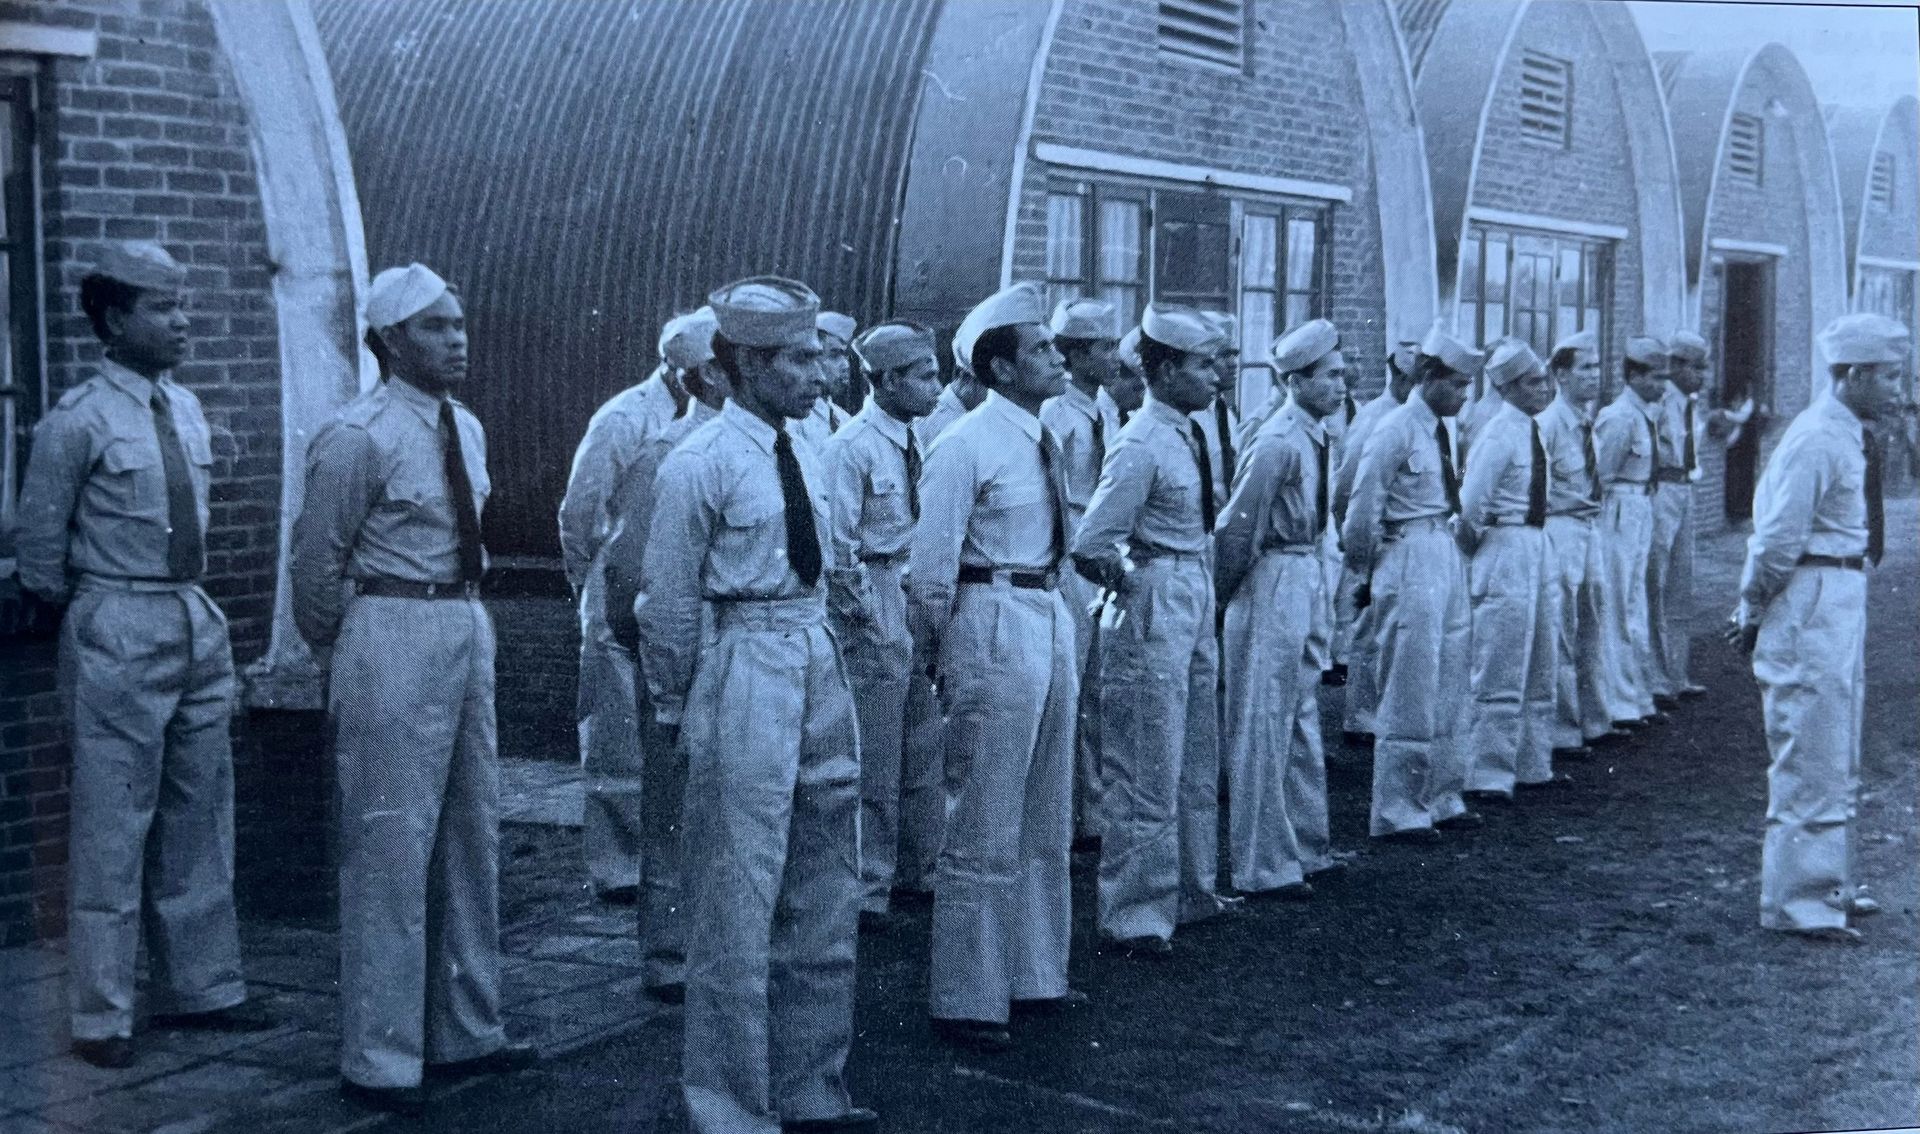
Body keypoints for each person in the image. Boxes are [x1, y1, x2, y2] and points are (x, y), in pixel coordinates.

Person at [14, 241, 270, 1070]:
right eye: (163, 308)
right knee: (112, 823)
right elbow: (42, 554)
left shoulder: (185, 409)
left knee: (200, 813)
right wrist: (100, 614)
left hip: (192, 619)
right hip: (116, 621)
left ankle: (205, 989)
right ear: (116, 318)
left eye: (182, 304)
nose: (183, 321)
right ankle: (103, 1013)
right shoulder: (77, 421)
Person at [291, 264, 533, 1114]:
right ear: (391, 340)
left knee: (472, 831)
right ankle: (381, 1056)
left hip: (465, 623)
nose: (456, 339)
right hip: (391, 626)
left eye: (460, 323)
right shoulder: (357, 436)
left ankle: (468, 1030)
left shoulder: (463, 428)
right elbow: (316, 566)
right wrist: (349, 655)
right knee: (391, 846)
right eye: (435, 327)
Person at [636, 275, 872, 1134]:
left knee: (824, 882)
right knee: (738, 892)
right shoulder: (696, 463)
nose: (820, 372)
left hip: (813, 651)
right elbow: (666, 604)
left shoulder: (812, 447)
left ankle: (812, 1084)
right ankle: (730, 1103)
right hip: (741, 659)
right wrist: (679, 706)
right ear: (745, 365)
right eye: (800, 358)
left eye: (817, 353)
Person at [908, 282, 1080, 1053]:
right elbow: (931, 569)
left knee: (1047, 805)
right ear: (1002, 369)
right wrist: (945, 654)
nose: (1056, 357)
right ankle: (968, 995)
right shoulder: (966, 444)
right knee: (982, 810)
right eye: (1040, 349)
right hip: (993, 616)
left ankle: (1034, 971)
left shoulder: (1043, 435)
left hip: (1047, 612)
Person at [1729, 312, 1907, 943]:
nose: (1898, 387)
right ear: (1851, 374)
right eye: (1888, 375)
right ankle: (1799, 903)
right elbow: (1775, 539)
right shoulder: (1816, 439)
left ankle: (1826, 884)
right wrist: (1752, 606)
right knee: (1809, 750)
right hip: (1809, 593)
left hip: (1840, 590)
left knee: (1837, 749)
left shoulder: (1846, 434)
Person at [1072, 304, 1236, 954]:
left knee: (1196, 750)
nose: (1216, 377)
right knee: (1145, 757)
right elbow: (1090, 542)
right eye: (1202, 365)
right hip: (1155, 591)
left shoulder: (1189, 432)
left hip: (1192, 583)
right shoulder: (1140, 443)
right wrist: (1136, 587)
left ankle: (1192, 889)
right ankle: (1133, 912)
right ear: (1164, 370)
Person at [557, 308, 717, 905]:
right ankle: (617, 865)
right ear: (677, 372)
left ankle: (671, 859)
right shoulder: (624, 418)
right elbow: (580, 510)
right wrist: (589, 588)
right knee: (617, 733)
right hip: (620, 583)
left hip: (678, 588)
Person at [597, 312, 730, 1003]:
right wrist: (662, 668)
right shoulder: (666, 454)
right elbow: (627, 583)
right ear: (709, 373)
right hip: (689, 645)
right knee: (674, 809)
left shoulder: (780, 449)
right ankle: (670, 954)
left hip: (752, 651)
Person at [1215, 318, 1347, 898]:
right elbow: (1237, 529)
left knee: (1300, 716)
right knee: (1263, 724)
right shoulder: (1276, 442)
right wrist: (1223, 600)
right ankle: (1261, 863)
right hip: (1270, 578)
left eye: (1342, 375)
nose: (1341, 386)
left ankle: (1305, 848)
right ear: (1294, 382)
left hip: (1305, 573)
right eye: (1329, 377)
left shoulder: (1315, 434)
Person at [1341, 326, 1482, 841]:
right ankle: (1399, 808)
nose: (1464, 396)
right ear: (1427, 377)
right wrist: (1370, 569)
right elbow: (1360, 507)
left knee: (1449, 678)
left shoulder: (1444, 429)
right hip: (1407, 553)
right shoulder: (1395, 428)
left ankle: (1442, 795)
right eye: (1458, 385)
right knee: (1410, 684)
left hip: (1443, 551)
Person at [825, 321, 944, 931]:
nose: (936, 383)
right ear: (888, 380)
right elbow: (838, 548)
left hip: (910, 586)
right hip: (874, 593)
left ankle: (918, 869)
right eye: (923, 374)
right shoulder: (854, 446)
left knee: (921, 744)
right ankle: (868, 884)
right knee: (874, 751)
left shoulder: (914, 437)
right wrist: (864, 621)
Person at [1457, 340, 1560, 802]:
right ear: (1508, 388)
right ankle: (1488, 771)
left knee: (1540, 656)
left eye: (1543, 380)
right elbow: (1470, 509)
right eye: (1534, 382)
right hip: (1504, 547)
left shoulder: (1531, 430)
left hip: (1537, 544)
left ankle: (1532, 763)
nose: (1544, 389)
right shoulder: (1497, 436)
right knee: (1499, 659)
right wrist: (1481, 559)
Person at [1039, 299, 1121, 846]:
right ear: (1074, 354)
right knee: (1066, 685)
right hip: (1068, 548)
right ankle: (1060, 814)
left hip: (1101, 548)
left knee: (1097, 688)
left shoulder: (1104, 407)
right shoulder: (1055, 413)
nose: (1114, 357)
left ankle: (1090, 810)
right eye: (1103, 349)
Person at [1536, 331, 1619, 755]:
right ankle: (1563, 730)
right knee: (1562, 627)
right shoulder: (1547, 426)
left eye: (1597, 367)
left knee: (1593, 623)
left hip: (1589, 530)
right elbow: (1540, 491)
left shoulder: (1589, 425)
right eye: (1585, 368)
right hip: (1561, 530)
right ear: (1561, 376)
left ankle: (1595, 719)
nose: (1595, 376)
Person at [1332, 341, 1419, 737]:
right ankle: (1360, 718)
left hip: (1407, 540)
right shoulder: (1373, 419)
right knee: (1368, 631)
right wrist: (1355, 545)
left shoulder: (1417, 420)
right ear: (1397, 377)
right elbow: (1348, 486)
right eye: (1411, 380)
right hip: (1376, 536)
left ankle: (1385, 711)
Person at [1593, 336, 1670, 729]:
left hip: (1640, 506)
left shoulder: (1645, 414)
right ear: (1634, 376)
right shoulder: (1619, 417)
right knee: (1617, 603)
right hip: (1618, 510)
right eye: (1656, 377)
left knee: (1634, 600)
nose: (1663, 385)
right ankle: (1615, 700)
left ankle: (1634, 694)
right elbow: (1601, 477)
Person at [1649, 330, 1713, 705]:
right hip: (1660, 490)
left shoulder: (1690, 404)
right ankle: (1652, 678)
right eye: (1696, 367)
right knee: (1654, 581)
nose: (1702, 376)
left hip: (1685, 490)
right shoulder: (1658, 402)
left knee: (1681, 584)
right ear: (1676, 366)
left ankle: (1676, 674)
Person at [794, 310, 856, 449]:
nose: (846, 366)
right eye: (835, 356)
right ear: (811, 358)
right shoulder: (795, 420)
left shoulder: (845, 420)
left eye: (846, 356)